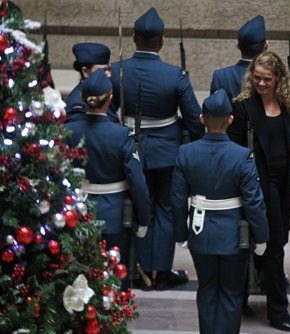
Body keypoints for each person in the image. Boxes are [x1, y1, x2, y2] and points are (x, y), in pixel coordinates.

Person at [109, 7, 205, 291]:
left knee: (138, 209)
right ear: (161, 40)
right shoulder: (175, 75)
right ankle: (160, 271)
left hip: (127, 150)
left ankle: (136, 269)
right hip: (166, 151)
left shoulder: (116, 72)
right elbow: (192, 117)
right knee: (163, 210)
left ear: (134, 38)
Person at [171, 89, 269, 334]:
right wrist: (262, 236)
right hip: (232, 235)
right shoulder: (242, 156)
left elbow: (176, 199)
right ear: (230, 120)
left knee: (207, 290)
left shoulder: (186, 153)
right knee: (231, 293)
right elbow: (253, 202)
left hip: (199, 231)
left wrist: (181, 234)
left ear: (202, 119)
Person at [228, 50, 290, 332]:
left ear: (278, 79)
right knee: (271, 247)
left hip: (282, 183)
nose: (261, 84)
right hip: (256, 185)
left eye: (267, 80)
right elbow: (235, 151)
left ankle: (250, 296)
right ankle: (277, 311)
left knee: (277, 241)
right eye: (257, 78)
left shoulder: (287, 106)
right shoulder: (242, 108)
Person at [64, 68, 152, 291]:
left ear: (82, 98)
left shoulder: (66, 131)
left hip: (78, 212)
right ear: (110, 98)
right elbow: (137, 182)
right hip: (114, 214)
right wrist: (144, 218)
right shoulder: (121, 135)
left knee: (79, 273)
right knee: (113, 275)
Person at [210, 15, 290, 165]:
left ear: (238, 45)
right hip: (273, 161)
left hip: (233, 159)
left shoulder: (221, 77)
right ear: (266, 46)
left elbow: (214, 123)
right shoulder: (278, 78)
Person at [65, 43, 119, 124]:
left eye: (109, 69)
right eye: (103, 70)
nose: (109, 74)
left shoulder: (102, 90)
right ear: (85, 72)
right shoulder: (78, 105)